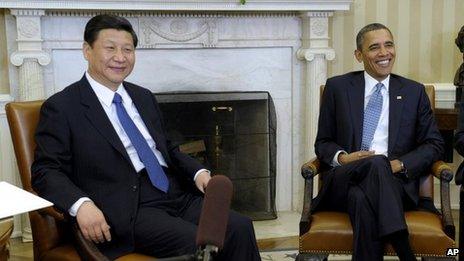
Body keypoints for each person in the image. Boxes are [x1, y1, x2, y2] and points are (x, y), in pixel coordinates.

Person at [31, 14, 261, 260]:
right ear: (87, 50)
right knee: (198, 245)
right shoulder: (63, 107)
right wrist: (81, 204)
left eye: (127, 50)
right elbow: (46, 171)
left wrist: (197, 172)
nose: (120, 57)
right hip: (127, 208)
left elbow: (167, 148)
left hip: (174, 192)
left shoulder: (143, 97)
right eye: (110, 48)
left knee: (240, 227)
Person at [312, 23, 444, 261]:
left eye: (389, 45)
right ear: (359, 55)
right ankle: (403, 246)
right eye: (374, 48)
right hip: (344, 178)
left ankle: (398, 243)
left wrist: (399, 164)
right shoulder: (338, 88)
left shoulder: (414, 92)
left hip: (395, 183)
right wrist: (343, 158)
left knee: (363, 195)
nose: (384, 53)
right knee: (375, 164)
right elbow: (323, 142)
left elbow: (434, 143)